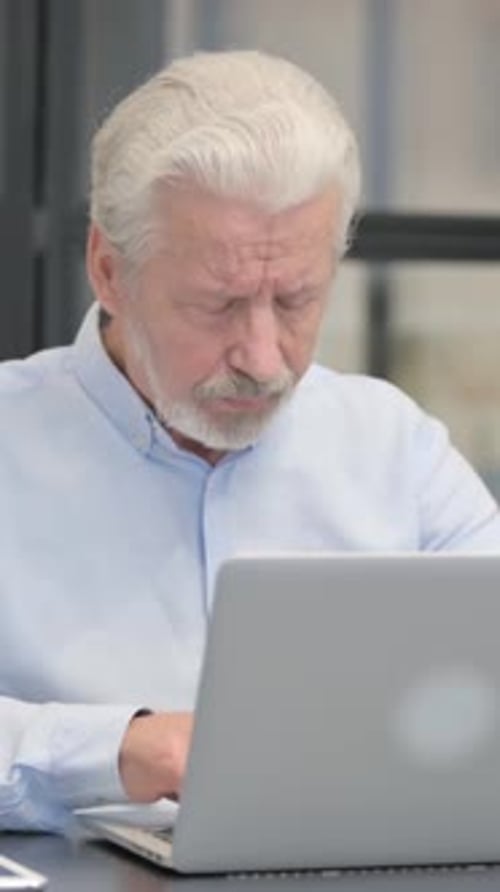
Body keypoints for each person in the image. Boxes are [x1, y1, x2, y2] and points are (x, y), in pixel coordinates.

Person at [1, 49, 499, 833]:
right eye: (218, 303)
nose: (264, 359)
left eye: (297, 299)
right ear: (107, 269)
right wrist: (122, 749)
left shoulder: (392, 448)